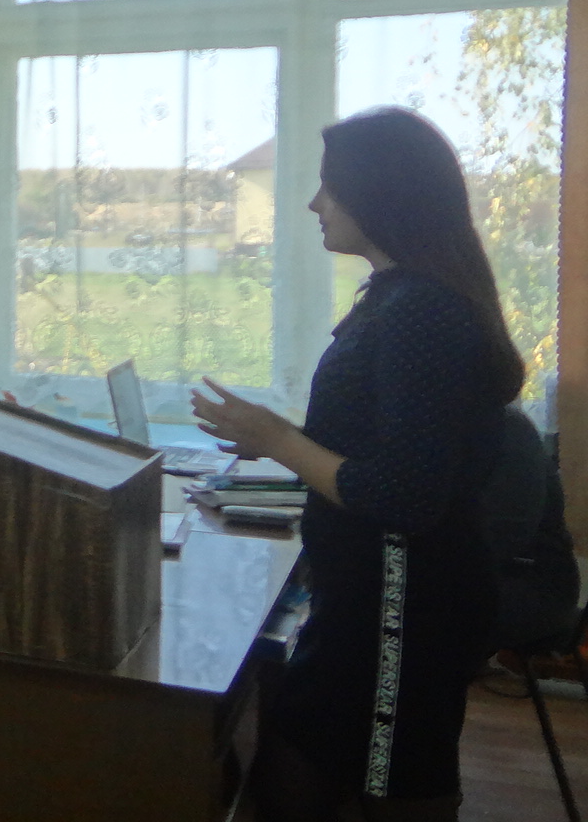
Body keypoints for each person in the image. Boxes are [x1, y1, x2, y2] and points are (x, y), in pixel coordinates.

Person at [193, 108, 519, 821]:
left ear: (382, 193)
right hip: (367, 600)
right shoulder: (400, 298)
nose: (315, 204)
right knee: (306, 763)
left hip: (402, 607)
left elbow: (402, 494)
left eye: (329, 187)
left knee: (391, 780)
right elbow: (384, 446)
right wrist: (273, 438)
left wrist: (279, 438)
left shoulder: (422, 311)